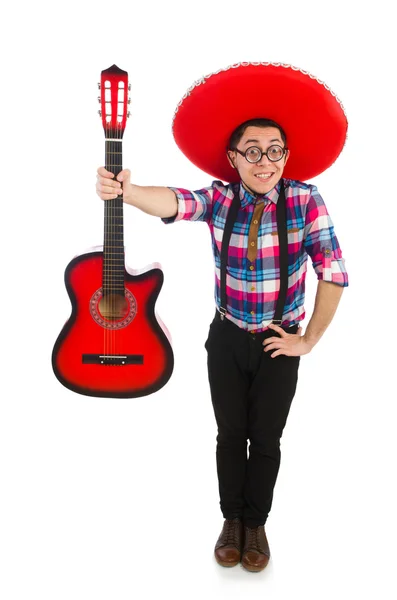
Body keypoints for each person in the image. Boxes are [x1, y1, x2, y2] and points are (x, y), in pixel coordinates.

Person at [96, 63, 349, 573]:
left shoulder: (304, 199)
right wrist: (126, 190)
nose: (264, 161)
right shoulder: (221, 197)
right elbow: (174, 202)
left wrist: (309, 340)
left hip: (280, 340)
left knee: (268, 438)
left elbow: (334, 271)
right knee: (230, 434)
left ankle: (257, 523)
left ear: (286, 156)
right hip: (226, 337)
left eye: (274, 150)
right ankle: (230, 520)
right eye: (252, 151)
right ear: (234, 158)